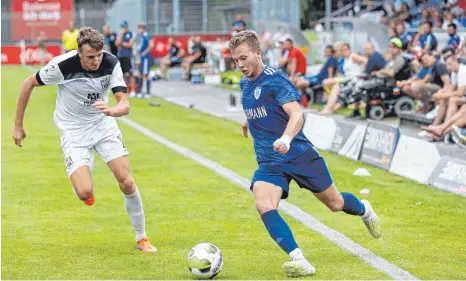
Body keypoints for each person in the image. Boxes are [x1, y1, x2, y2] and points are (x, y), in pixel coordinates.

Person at [228, 30, 381, 277]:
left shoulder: (276, 79)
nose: (240, 64)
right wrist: (248, 121)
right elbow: (259, 107)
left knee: (335, 203)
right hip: (270, 161)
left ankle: (364, 209)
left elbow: (297, 114)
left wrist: (286, 138)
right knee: (262, 203)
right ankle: (298, 259)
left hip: (298, 153)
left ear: (258, 52)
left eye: (244, 58)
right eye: (236, 60)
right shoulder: (245, 83)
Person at [12, 27, 157, 253]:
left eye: (99, 55)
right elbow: (28, 83)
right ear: (79, 53)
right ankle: (83, 177)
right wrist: (18, 125)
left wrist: (112, 111)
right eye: (90, 57)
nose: (96, 60)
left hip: (102, 124)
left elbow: (124, 104)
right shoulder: (62, 65)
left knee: (126, 181)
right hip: (73, 131)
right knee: (84, 192)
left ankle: (142, 237)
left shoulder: (111, 62)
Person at [116, 20, 137, 97]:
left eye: (124, 27)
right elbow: (117, 43)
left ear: (127, 27)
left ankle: (133, 91)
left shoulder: (131, 34)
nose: (122, 28)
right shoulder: (119, 34)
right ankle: (125, 91)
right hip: (121, 56)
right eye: (121, 27)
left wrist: (122, 43)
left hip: (128, 56)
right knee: (123, 74)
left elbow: (130, 44)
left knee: (131, 74)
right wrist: (121, 36)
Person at [135, 23, 154, 99]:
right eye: (138, 28)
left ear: (143, 28)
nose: (139, 30)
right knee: (140, 74)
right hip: (141, 58)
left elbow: (151, 45)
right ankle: (139, 91)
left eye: (140, 28)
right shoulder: (140, 36)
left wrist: (144, 53)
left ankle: (148, 92)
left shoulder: (146, 35)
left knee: (146, 74)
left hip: (145, 58)